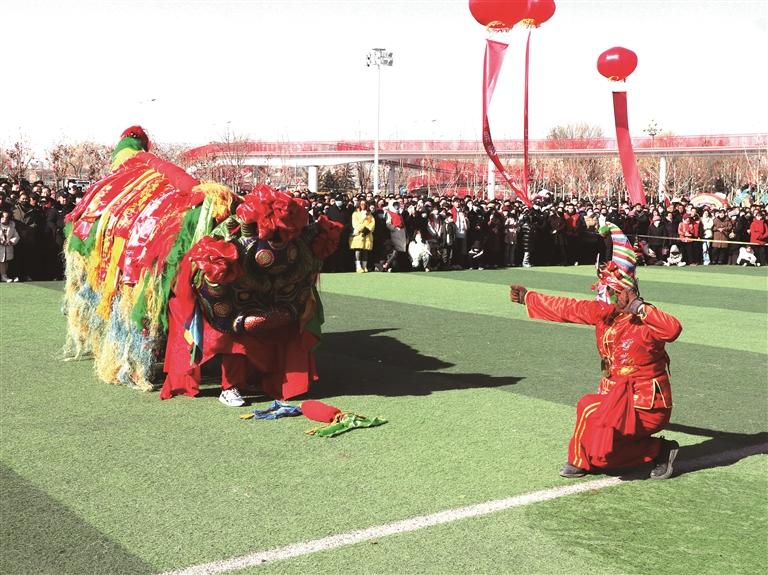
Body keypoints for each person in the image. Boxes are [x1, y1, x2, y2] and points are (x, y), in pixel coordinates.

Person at [508, 263, 682, 480]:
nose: (603, 295)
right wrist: (528, 298)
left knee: (588, 406)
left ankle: (578, 460)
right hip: (613, 398)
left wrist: (638, 306)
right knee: (601, 457)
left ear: (627, 293)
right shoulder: (605, 313)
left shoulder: (645, 319)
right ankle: (658, 450)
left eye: (609, 291)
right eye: (603, 290)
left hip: (645, 404)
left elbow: (672, 329)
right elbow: (569, 308)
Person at [349, 199, 375, 272]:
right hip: (358, 234)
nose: (363, 205)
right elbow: (355, 224)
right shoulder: (355, 213)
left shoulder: (369, 214)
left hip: (367, 234)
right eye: (361, 204)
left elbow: (372, 223)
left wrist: (368, 229)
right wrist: (362, 228)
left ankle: (364, 266)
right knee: (358, 250)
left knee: (365, 250)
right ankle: (358, 266)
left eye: (364, 204)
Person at [0, 210, 21, 282]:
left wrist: (11, 241)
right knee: (1, 261)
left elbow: (17, 236)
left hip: (8, 247)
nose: (5, 219)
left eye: (7, 217)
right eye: (4, 217)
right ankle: (3, 276)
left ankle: (5, 276)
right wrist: (1, 241)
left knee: (6, 261)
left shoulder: (12, 226)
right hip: (0, 247)